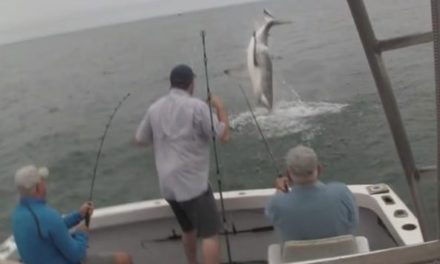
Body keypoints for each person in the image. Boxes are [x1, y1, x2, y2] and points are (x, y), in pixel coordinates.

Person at [135, 64, 230, 264]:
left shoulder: (155, 108)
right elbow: (223, 135)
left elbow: (140, 140)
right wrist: (219, 107)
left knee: (188, 229)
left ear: (172, 83)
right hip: (193, 186)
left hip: (168, 187)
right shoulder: (197, 106)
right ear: (191, 84)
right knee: (210, 234)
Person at [11, 165, 133, 264]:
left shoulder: (17, 215)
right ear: (38, 187)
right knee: (125, 259)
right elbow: (77, 254)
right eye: (43, 181)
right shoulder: (48, 215)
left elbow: (52, 228)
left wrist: (78, 215)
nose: (45, 184)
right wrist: (82, 232)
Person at [265, 145, 359, 241]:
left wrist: (280, 189)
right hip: (342, 253)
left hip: (298, 256)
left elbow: (273, 217)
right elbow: (354, 222)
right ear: (319, 169)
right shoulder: (341, 191)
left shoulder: (276, 204)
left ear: (288, 174)